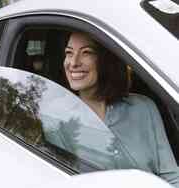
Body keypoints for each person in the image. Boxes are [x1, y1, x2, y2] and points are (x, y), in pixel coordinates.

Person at [63, 32, 179, 187]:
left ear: (106, 60)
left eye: (86, 52)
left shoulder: (143, 107)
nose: (74, 62)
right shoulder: (56, 117)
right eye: (69, 53)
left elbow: (171, 177)